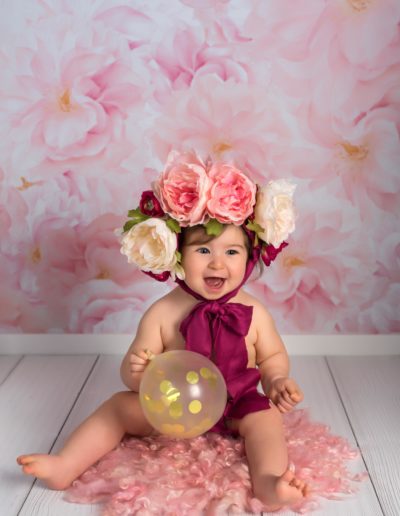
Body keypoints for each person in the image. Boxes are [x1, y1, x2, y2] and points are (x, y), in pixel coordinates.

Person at [17, 150, 308, 511]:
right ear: (177, 256)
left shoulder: (254, 311)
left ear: (249, 259)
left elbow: (271, 355)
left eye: (232, 252)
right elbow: (134, 368)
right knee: (118, 407)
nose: (218, 262)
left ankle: (268, 483)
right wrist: (137, 372)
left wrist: (277, 380)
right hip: (174, 407)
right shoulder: (162, 312)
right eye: (203, 249)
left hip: (237, 403)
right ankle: (66, 465)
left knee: (266, 422)